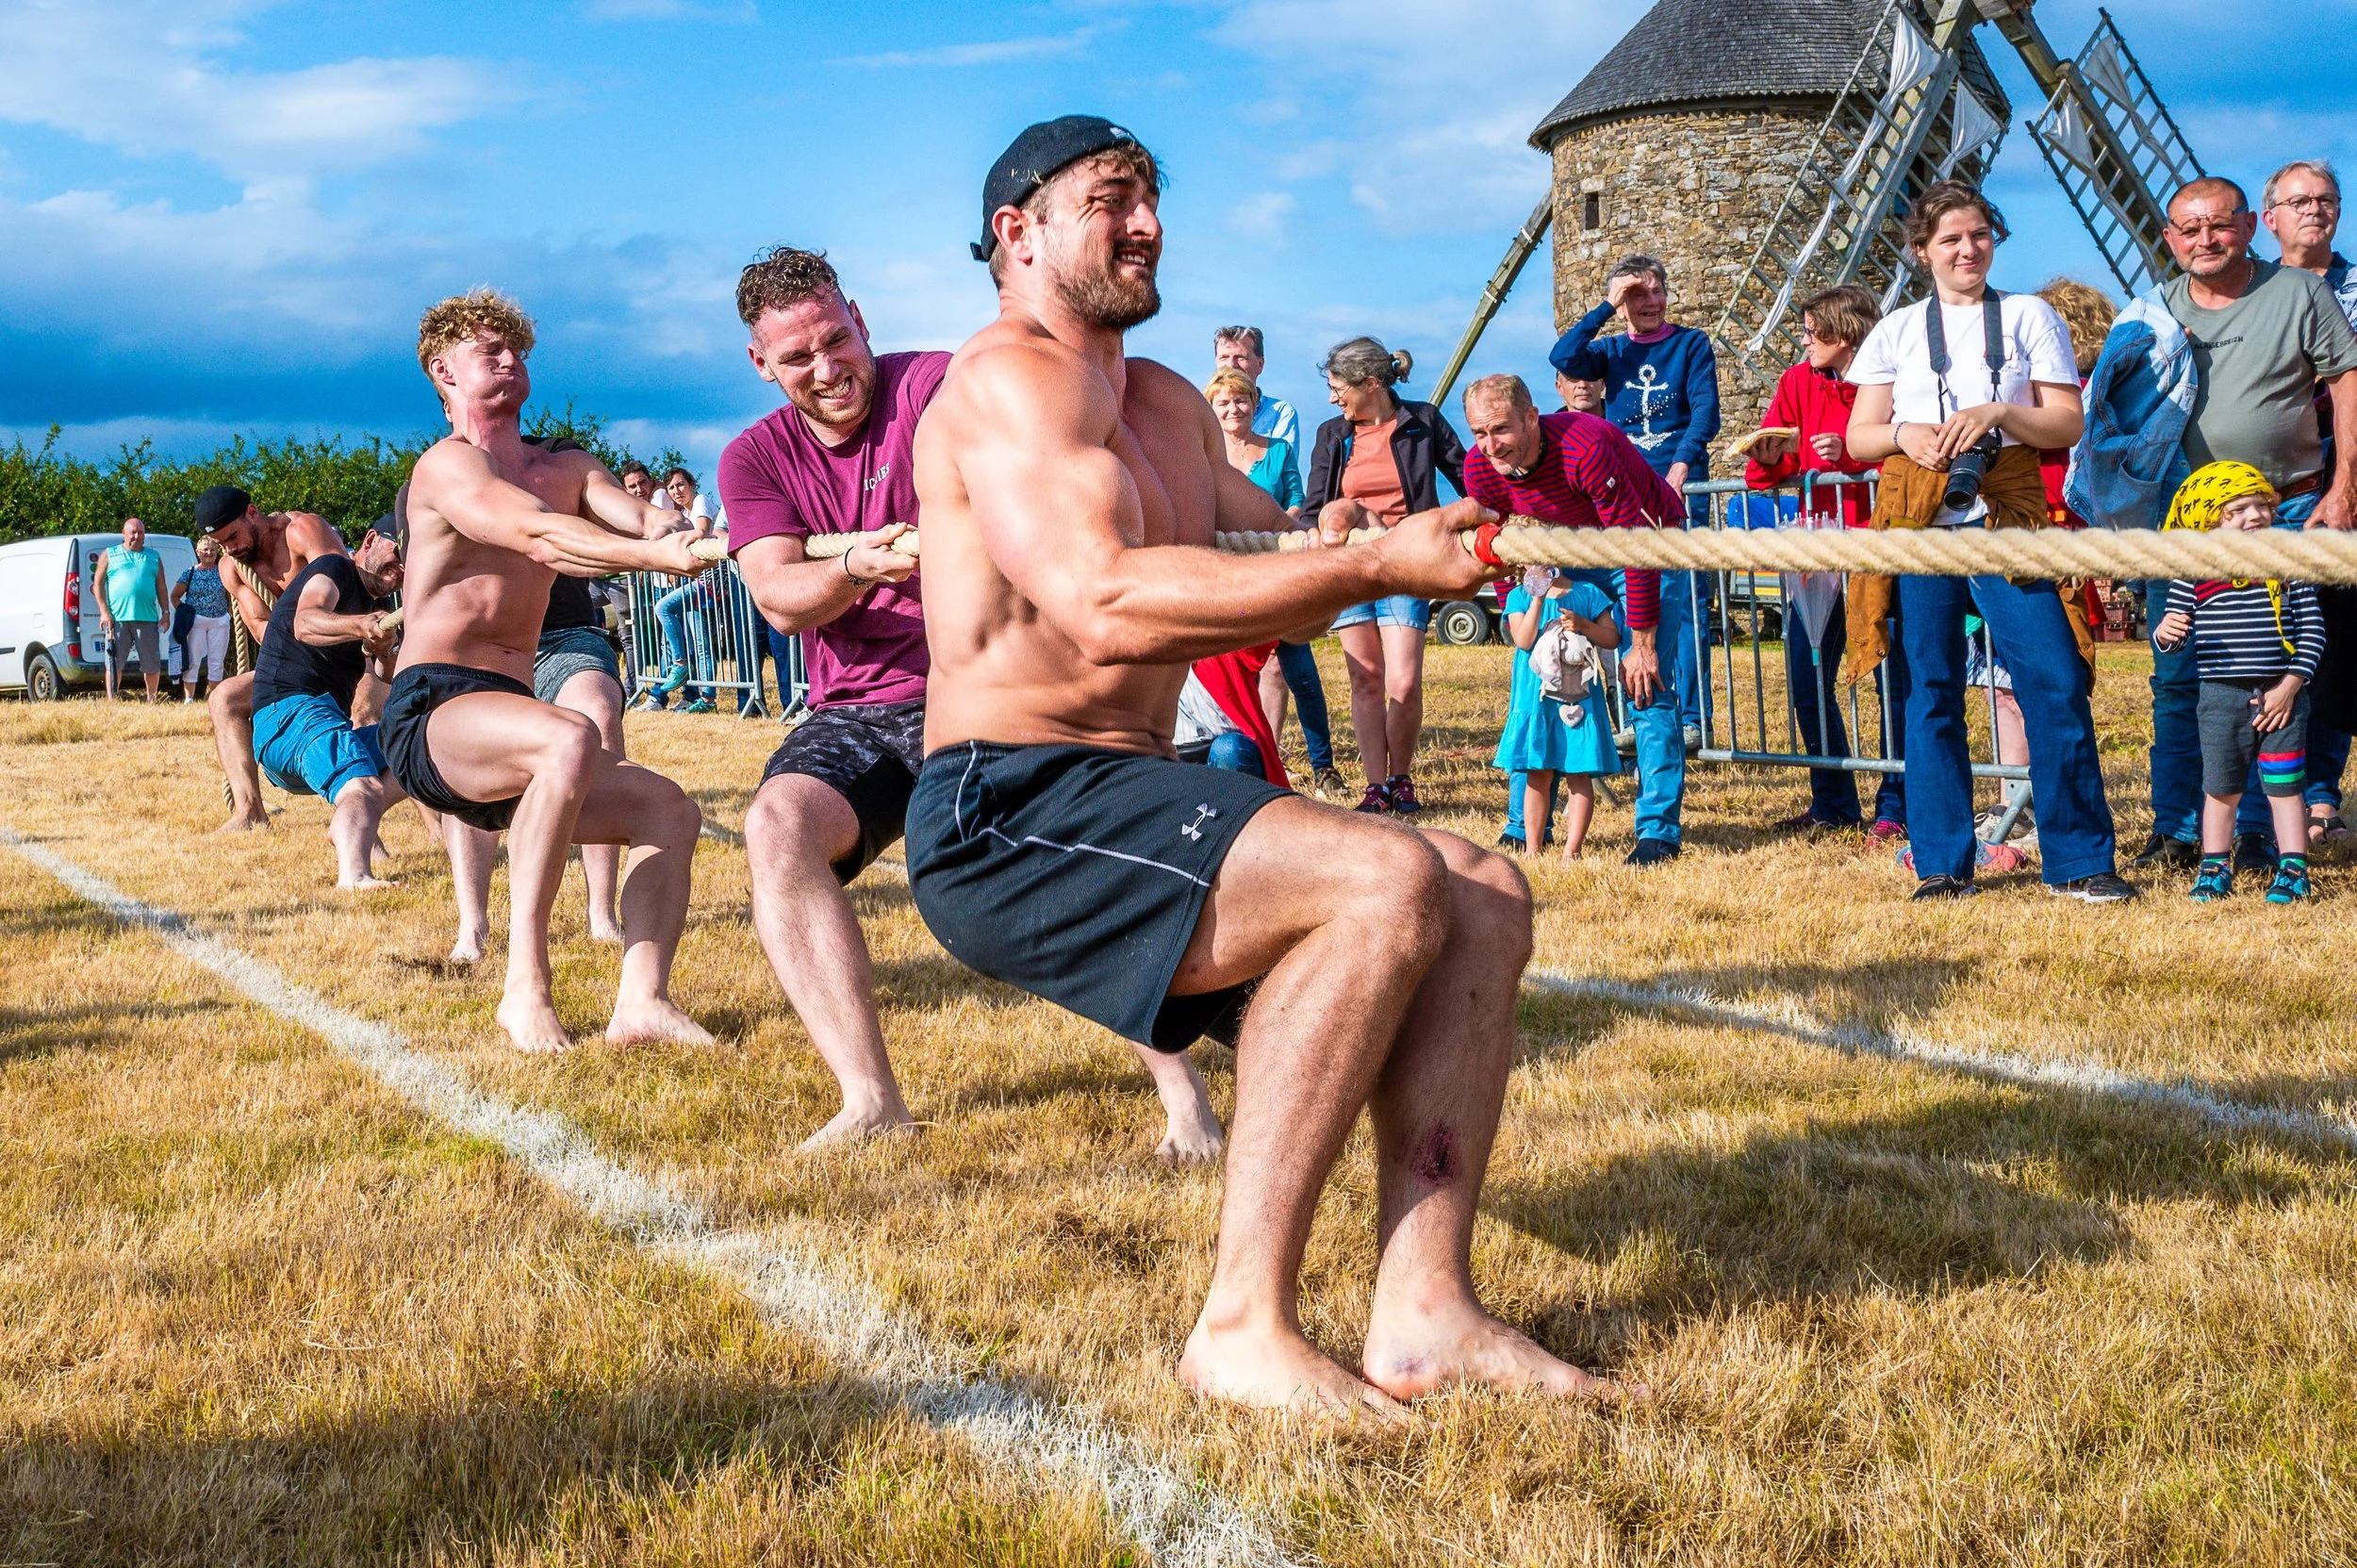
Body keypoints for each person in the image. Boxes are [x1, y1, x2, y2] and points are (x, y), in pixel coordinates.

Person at [910, 114, 1624, 1413]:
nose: (1146, 223)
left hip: (1131, 782)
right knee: (1383, 877)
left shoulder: (1166, 403)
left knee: (1482, 888)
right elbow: (1104, 603)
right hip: (1005, 804)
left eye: (1152, 196)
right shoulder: (1008, 381)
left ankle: (1427, 1312)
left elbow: (1280, 546)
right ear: (1018, 231)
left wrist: (1348, 529)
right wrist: (1368, 563)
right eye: (1110, 198)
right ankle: (1241, 1326)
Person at [392, 288, 714, 1055]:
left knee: (669, 811)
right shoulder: (446, 466)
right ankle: (524, 987)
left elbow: (635, 514)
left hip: (511, 711)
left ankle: (643, 1002)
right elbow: (539, 536)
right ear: (444, 371)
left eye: (518, 349)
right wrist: (651, 557)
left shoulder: (566, 465)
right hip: (433, 709)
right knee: (569, 735)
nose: (511, 360)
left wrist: (678, 528)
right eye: (490, 350)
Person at [1844, 179, 2131, 902]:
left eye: (1979, 235)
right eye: (1950, 239)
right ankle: (1942, 863)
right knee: (1932, 689)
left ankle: (2080, 861)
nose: (1967, 249)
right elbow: (1859, 436)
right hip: (1920, 522)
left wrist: (2000, 414)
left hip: (2008, 513)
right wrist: (1907, 434)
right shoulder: (1898, 329)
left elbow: (2065, 421)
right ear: (1922, 251)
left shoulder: (2031, 315)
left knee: (2053, 679)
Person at [2137, 174, 2357, 878]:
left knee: (2275, 670)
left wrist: (2344, 488)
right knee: (2179, 678)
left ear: (2249, 227)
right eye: (2189, 228)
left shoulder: (2300, 293)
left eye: (2220, 224)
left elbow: (2348, 383)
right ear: (2170, 239)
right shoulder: (2154, 309)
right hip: (2185, 523)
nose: (2206, 239)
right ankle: (2176, 827)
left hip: (2284, 509)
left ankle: (2263, 835)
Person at [1455, 373, 1689, 864]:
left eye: (1501, 429)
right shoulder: (1480, 468)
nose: (1491, 445)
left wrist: (1641, 643)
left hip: (1646, 545)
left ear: (1531, 418)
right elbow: (1506, 543)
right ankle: (1523, 828)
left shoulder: (1586, 446)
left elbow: (1633, 546)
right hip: (1567, 553)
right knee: (1537, 687)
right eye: (1479, 433)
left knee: (1645, 685)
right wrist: (1516, 611)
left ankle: (1657, 833)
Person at [421, 437, 635, 963]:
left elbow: (612, 513)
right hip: (484, 646)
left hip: (566, 635)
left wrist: (662, 527)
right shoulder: (440, 472)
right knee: (473, 756)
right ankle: (473, 924)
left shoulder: (560, 460)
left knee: (598, 712)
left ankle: (601, 913)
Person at [1745, 283, 1906, 838]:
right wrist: (1769, 457)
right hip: (1820, 555)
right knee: (1806, 676)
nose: (1805, 340)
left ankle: (1897, 805)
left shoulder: (1894, 378)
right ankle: (1833, 800)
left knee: (1894, 683)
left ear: (1847, 333)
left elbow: (1914, 456)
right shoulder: (1797, 381)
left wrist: (1857, 459)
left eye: (1814, 331)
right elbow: (1758, 475)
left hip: (1884, 549)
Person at [1549, 253, 1722, 749]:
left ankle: (1692, 718)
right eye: (1636, 294)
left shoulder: (1690, 344)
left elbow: (1705, 412)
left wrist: (1681, 465)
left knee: (1685, 603)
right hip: (1624, 494)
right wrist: (1607, 305)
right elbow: (1564, 355)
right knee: (1632, 599)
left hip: (1677, 491)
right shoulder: (1609, 351)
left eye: (1656, 291)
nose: (1650, 302)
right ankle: (1639, 714)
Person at [1301, 336, 1468, 814]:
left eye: (1339, 389)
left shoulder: (1423, 423)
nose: (1333, 399)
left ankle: (1401, 777)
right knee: (1366, 679)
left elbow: (1467, 476)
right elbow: (1314, 504)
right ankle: (1376, 787)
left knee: (1404, 682)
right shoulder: (1333, 434)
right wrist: (1305, 534)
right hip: (1351, 566)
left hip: (1406, 564)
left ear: (1371, 384)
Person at [2152, 464, 2325, 903]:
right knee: (2221, 788)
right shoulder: (2193, 570)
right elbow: (2173, 638)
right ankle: (2214, 867)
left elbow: (2313, 632)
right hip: (2220, 697)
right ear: (2209, 520)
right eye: (2239, 509)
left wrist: (2290, 686)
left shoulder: (2288, 564)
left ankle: (2293, 870)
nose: (2256, 516)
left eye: (2262, 505)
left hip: (2282, 697)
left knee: (2285, 788)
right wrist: (2165, 632)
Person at [2259, 158, 2357, 852]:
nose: (2314, 209)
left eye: (2325, 199)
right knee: (2269, 638)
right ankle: (2257, 801)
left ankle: (2320, 789)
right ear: (2270, 219)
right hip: (2267, 489)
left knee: (2336, 641)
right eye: (2299, 201)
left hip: (2342, 482)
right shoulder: (2251, 290)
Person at [249, 516, 411, 891]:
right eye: (397, 553)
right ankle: (354, 877)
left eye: (410, 564)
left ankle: (347, 824)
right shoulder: (334, 569)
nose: (401, 568)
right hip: (288, 716)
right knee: (362, 787)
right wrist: (360, 626)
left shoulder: (380, 604)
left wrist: (385, 648)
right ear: (370, 540)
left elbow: (386, 675)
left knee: (418, 748)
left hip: (320, 724)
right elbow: (305, 622)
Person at [1210, 366, 1341, 796]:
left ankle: (1324, 768)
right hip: (1229, 580)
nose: (1233, 409)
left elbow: (1297, 499)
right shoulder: (1207, 457)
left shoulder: (1279, 450)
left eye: (1241, 400)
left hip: (1275, 572)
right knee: (1236, 677)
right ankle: (1258, 760)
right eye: (1223, 403)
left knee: (1299, 673)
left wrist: (1278, 529)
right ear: (1212, 409)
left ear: (1254, 404)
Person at [198, 485, 350, 831]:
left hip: (346, 653)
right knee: (224, 699)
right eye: (222, 544)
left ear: (252, 513)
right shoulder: (232, 567)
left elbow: (346, 589)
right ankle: (249, 812)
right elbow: (260, 627)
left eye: (233, 536)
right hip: (292, 665)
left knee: (370, 703)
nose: (231, 548)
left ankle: (420, 819)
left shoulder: (303, 531)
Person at [1494, 564, 1620, 859]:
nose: (1538, 562)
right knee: (1537, 772)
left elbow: (1611, 638)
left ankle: (1572, 851)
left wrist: (1584, 625)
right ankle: (1532, 848)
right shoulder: (1518, 597)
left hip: (1579, 698)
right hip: (1536, 699)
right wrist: (1537, 599)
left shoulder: (1588, 593)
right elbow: (1523, 640)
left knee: (1579, 771)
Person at [92, 517, 169, 702]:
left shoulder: (153, 557)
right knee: (114, 663)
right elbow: (98, 584)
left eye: (140, 532)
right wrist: (104, 612)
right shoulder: (110, 554)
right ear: (124, 533)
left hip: (148, 618)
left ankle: (152, 700)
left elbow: (161, 587)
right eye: (133, 532)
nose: (136, 536)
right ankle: (112, 700)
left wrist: (166, 613)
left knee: (151, 664)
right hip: (117, 619)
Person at [1211, 325, 1300, 450]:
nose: (1231, 365)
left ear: (1260, 364)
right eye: (1224, 358)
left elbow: (1281, 460)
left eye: (1240, 357)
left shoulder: (1280, 414)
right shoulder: (1201, 411)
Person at [172, 536, 235, 703]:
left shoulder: (222, 571)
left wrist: (228, 614)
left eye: (212, 550)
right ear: (198, 552)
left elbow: (231, 594)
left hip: (219, 621)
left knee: (216, 661)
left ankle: (214, 698)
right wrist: (184, 613)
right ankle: (189, 698)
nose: (209, 553)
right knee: (193, 659)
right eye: (205, 550)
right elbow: (175, 596)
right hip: (196, 621)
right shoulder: (190, 573)